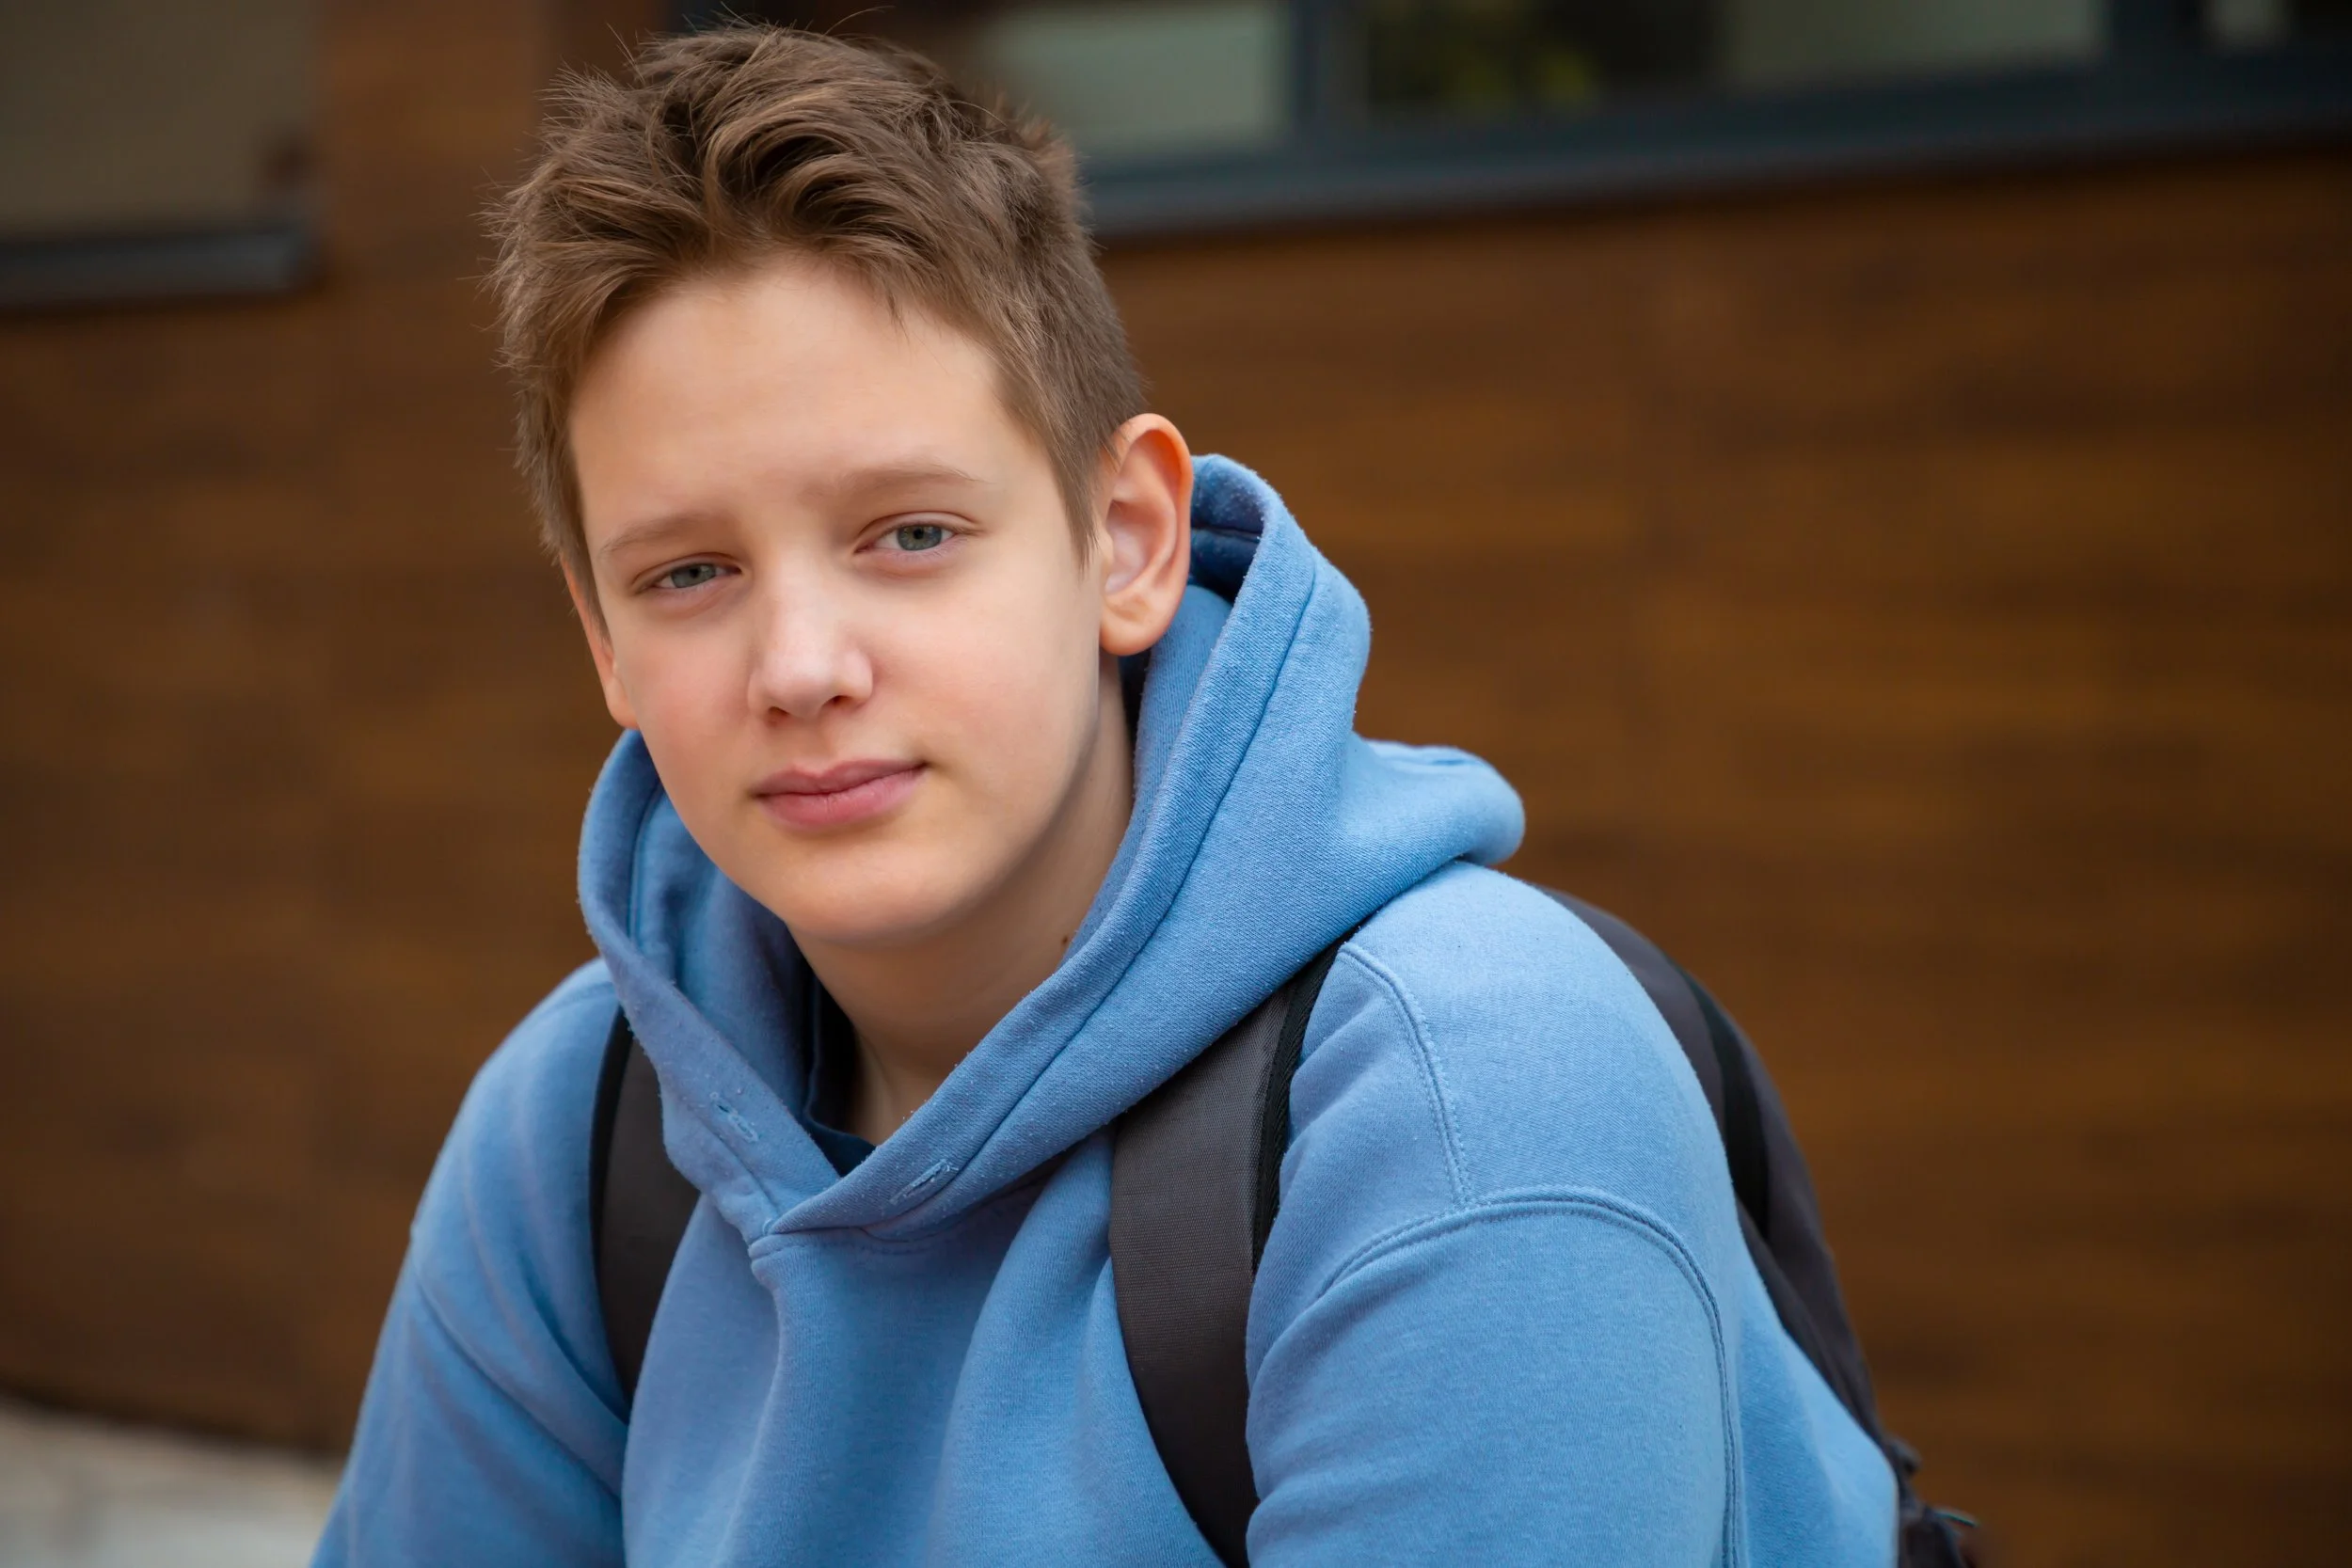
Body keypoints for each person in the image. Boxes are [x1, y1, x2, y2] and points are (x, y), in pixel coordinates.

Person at [316, 24, 1895, 1566]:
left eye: (909, 533)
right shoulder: (576, 1129)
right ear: (601, 638)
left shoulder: (1463, 1098)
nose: (798, 664)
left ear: (1126, 541)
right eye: (688, 572)